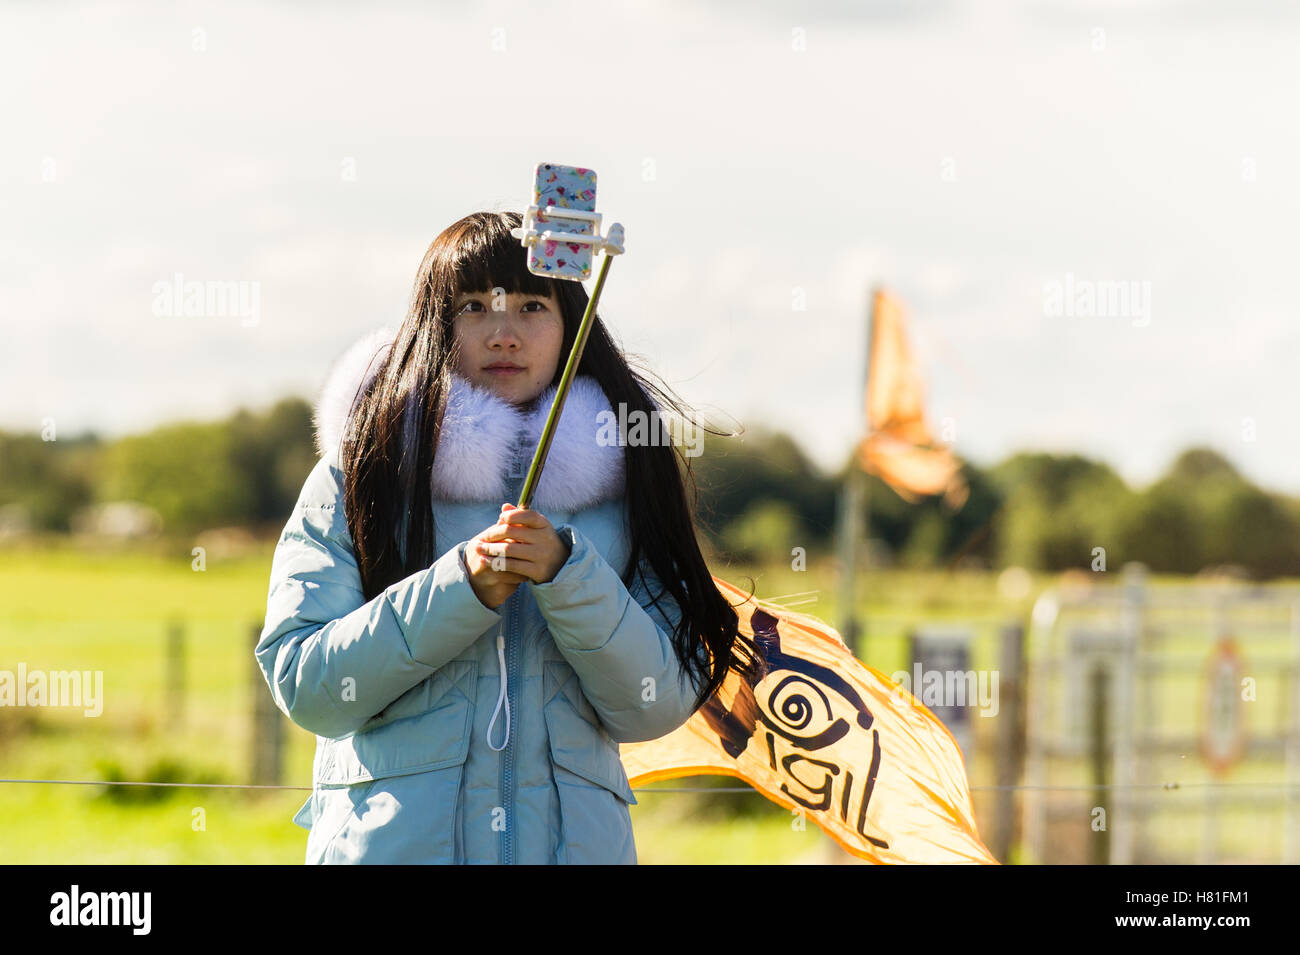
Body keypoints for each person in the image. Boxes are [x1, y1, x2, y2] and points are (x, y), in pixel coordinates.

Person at [255, 210, 761, 864]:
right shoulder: (362, 476)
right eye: (474, 306)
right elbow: (308, 685)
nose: (504, 334)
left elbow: (653, 704)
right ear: (435, 325)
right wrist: (460, 587)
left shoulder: (625, 489)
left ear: (572, 324)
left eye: (531, 305)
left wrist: (568, 576)